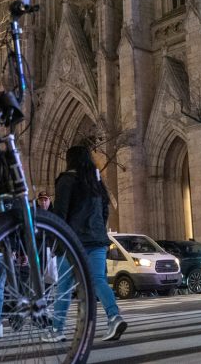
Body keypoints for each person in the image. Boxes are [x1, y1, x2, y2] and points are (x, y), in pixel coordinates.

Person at [52, 146, 127, 342]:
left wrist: (55, 242)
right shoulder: (96, 182)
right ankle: (114, 317)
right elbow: (104, 212)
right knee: (98, 280)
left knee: (64, 286)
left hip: (72, 242)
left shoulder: (66, 180)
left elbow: (60, 213)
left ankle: (56, 330)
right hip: (97, 240)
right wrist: (99, 232)